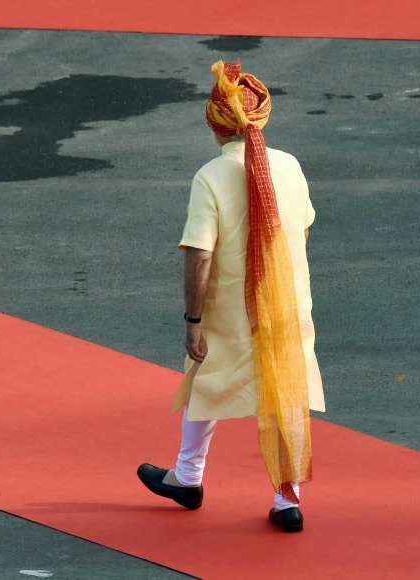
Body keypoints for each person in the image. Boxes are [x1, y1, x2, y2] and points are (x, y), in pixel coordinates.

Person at [137, 60, 325, 533]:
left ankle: (188, 477)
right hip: (284, 304)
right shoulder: (289, 166)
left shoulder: (211, 177)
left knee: (204, 383)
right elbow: (300, 235)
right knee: (286, 395)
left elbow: (199, 256)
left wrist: (192, 320)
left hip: (230, 310)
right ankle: (288, 501)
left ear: (216, 125)